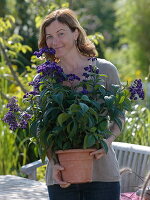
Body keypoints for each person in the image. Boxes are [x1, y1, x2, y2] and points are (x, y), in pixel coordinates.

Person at [38, 8, 125, 200]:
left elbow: (119, 116)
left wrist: (106, 142)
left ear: (76, 33)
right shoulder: (46, 77)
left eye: (61, 33)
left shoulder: (104, 69)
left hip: (103, 174)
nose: (55, 41)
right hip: (61, 177)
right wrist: (54, 163)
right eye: (50, 36)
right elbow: (41, 127)